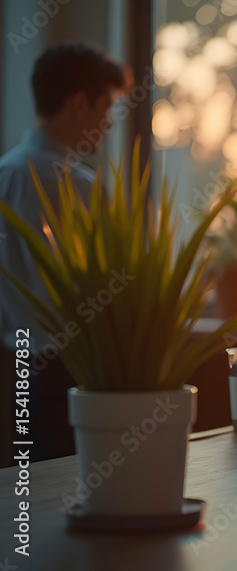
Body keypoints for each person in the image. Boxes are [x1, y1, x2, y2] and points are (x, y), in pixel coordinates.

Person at [0, 43, 128, 464]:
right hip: (71, 375)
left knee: (24, 504)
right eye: (106, 108)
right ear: (79, 104)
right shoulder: (82, 187)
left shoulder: (5, 174)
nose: (108, 123)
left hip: (13, 371)